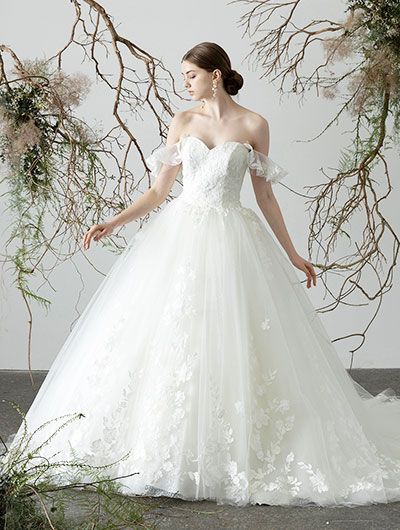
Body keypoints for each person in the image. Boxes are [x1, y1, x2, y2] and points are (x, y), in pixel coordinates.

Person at [4, 42, 400, 508]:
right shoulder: (183, 121)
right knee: (167, 334)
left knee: (236, 337)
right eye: (183, 76)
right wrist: (114, 221)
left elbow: (265, 197)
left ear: (215, 75)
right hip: (180, 237)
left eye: (190, 75)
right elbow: (159, 192)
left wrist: (293, 253)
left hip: (234, 239)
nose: (185, 83)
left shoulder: (254, 125)